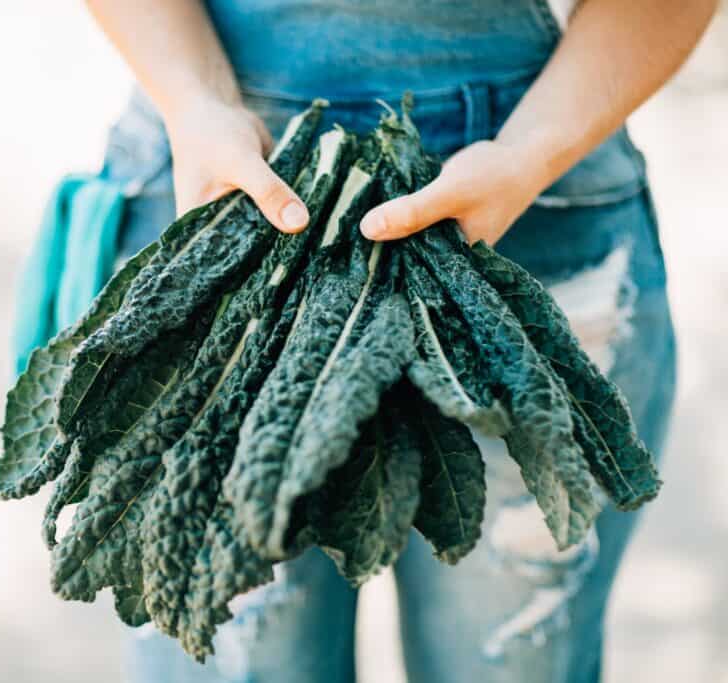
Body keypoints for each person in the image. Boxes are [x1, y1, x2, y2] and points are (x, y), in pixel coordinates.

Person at [80, 1, 715, 681]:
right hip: (220, 184)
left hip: (520, 205)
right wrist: (194, 100)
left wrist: (526, 157)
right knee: (230, 650)